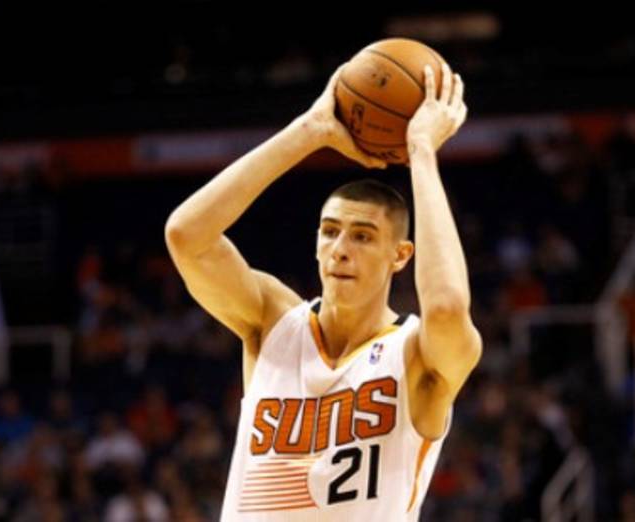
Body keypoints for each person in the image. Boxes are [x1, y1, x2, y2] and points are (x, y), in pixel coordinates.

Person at [165, 61, 480, 521]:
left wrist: (421, 153)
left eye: (363, 236)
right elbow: (185, 236)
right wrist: (308, 131)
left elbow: (448, 307)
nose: (340, 249)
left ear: (400, 255)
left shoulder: (415, 356)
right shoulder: (273, 321)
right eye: (330, 232)